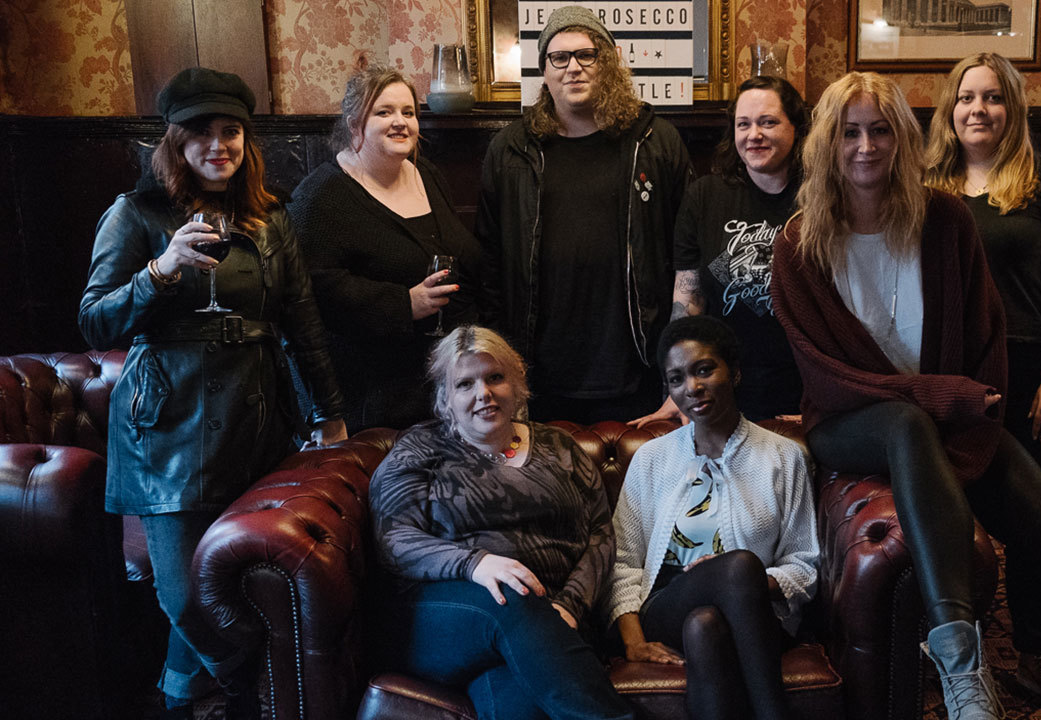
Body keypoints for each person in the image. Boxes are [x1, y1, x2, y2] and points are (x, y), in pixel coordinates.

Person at [769, 71, 1041, 720]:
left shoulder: (946, 220)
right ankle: (960, 659)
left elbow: (988, 342)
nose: (865, 146)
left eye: (881, 130)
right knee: (900, 423)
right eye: (848, 133)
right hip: (849, 423)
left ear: (904, 138)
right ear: (826, 145)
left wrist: (960, 423)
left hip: (949, 427)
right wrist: (936, 395)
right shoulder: (798, 245)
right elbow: (826, 377)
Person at [78, 67, 347, 719]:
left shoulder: (269, 216)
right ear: (174, 142)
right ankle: (250, 691)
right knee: (185, 598)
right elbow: (95, 320)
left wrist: (329, 412)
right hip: (164, 427)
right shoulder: (133, 213)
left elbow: (301, 317)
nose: (218, 144)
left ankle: (175, 700)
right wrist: (160, 271)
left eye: (231, 131)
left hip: (256, 418)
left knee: (234, 582)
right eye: (201, 133)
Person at [368, 325, 633, 720]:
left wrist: (570, 605)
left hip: (551, 622)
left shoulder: (560, 448)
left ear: (518, 384)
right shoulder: (419, 450)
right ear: (445, 397)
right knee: (511, 595)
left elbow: (600, 535)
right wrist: (475, 563)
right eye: (465, 384)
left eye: (495, 378)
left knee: (516, 699)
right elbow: (394, 538)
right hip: (444, 617)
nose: (483, 394)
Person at [476, 4, 692, 424]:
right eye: (559, 57)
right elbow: (489, 262)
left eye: (586, 55)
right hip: (539, 374)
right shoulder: (509, 150)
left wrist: (677, 368)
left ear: (607, 63)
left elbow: (688, 258)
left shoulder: (655, 140)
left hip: (637, 368)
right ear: (545, 70)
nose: (572, 67)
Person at [608, 315, 819, 720]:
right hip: (667, 605)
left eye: (705, 369)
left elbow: (804, 563)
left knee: (707, 623)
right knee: (737, 567)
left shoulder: (782, 457)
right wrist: (633, 641)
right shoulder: (651, 459)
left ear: (735, 372)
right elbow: (623, 561)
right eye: (676, 379)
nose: (692, 387)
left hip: (757, 615)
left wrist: (751, 580)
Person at [288, 65, 488, 433]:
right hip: (375, 398)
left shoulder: (426, 173)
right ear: (354, 125)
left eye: (408, 112)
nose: (400, 122)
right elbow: (310, 291)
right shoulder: (320, 196)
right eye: (384, 112)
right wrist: (402, 304)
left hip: (445, 385)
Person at [925, 52, 1041, 486]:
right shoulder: (922, 184)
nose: (977, 108)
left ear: (1013, 109)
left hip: (1028, 362)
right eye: (966, 98)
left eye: (992, 97)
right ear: (951, 110)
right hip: (952, 366)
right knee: (954, 500)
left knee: (1035, 506)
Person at [631, 76, 807, 427]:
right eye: (744, 124)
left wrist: (831, 400)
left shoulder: (823, 196)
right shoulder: (705, 197)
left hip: (803, 390)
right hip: (724, 392)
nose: (753, 134)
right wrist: (677, 389)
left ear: (796, 127)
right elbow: (689, 300)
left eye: (768, 122)